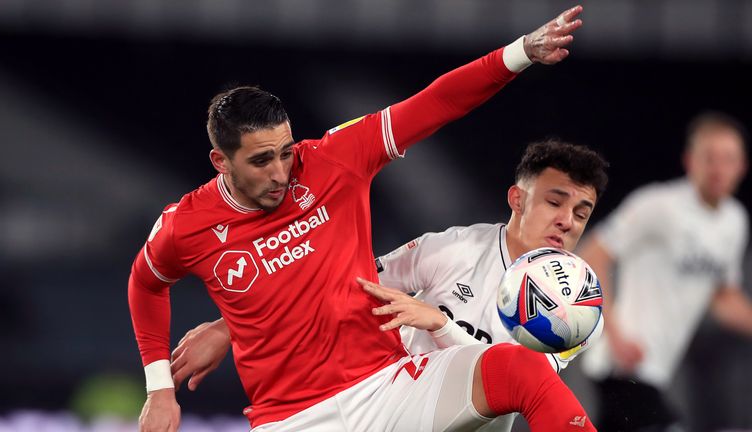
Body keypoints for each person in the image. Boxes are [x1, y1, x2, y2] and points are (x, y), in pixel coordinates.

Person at [129, 6, 596, 431]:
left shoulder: (335, 158)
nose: (280, 173)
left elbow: (436, 103)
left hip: (388, 387)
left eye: (286, 152)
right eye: (261, 161)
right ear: (220, 161)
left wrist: (521, 52)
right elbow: (146, 284)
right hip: (292, 418)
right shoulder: (186, 224)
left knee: (518, 367)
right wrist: (159, 389)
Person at [172, 139, 610, 432]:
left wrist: (439, 324)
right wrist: (228, 328)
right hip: (387, 409)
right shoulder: (454, 249)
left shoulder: (578, 305)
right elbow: (342, 286)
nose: (566, 221)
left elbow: (524, 377)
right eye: (555, 202)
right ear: (517, 199)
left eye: (581, 213)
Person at [578, 112, 752, 431]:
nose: (718, 168)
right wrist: (613, 332)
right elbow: (592, 254)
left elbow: (723, 299)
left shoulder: (734, 222)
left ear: (742, 166)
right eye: (709, 157)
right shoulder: (658, 205)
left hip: (657, 371)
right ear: (690, 161)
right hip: (620, 364)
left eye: (728, 159)